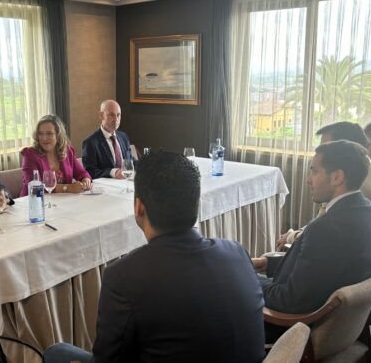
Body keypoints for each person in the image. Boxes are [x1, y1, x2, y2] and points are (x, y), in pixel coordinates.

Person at [44, 151, 265, 363]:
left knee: (57, 353)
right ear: (196, 204)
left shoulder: (123, 277)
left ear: (139, 207)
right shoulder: (237, 252)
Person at [254, 140, 371, 338]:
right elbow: (325, 267)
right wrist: (266, 263)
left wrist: (246, 277)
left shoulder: (326, 228)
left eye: (314, 171)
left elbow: (290, 301)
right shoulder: (369, 212)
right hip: (346, 328)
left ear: (337, 177)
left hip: (293, 329)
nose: (309, 180)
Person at [275, 121, 371, 250]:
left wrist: (292, 237)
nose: (321, 151)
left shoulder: (358, 188)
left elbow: (327, 231)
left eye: (326, 146)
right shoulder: (351, 178)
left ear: (345, 148)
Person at [20, 115, 91, 197]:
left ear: (58, 135)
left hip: (62, 200)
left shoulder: (67, 150)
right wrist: (67, 188)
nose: (44, 138)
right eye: (40, 134)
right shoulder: (30, 155)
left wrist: (86, 180)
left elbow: (82, 173)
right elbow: (35, 187)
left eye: (49, 133)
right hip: (34, 201)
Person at [82, 99, 133, 179]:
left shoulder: (123, 137)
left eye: (118, 115)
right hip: (107, 185)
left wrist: (147, 164)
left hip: (126, 182)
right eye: (111, 115)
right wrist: (113, 172)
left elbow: (130, 161)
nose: (116, 119)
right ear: (101, 115)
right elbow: (90, 172)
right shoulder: (90, 142)